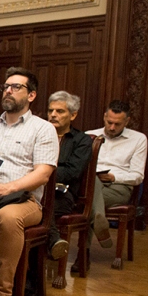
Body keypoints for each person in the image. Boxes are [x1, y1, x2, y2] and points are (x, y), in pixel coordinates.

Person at [0, 68, 58, 296]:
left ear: (32, 95)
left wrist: (7, 188)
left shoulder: (43, 129)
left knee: (8, 218)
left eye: (15, 87)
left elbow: (43, 174)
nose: (8, 90)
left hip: (25, 201)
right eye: (5, 86)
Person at [86, 100, 148, 245]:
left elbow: (138, 176)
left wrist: (113, 177)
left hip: (118, 187)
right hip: (92, 183)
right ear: (104, 117)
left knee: (87, 201)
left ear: (127, 121)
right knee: (92, 180)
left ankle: (84, 254)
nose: (112, 127)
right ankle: (99, 219)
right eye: (109, 122)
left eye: (117, 124)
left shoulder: (138, 139)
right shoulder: (89, 136)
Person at [45, 91, 91, 260]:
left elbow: (72, 172)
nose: (53, 115)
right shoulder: (39, 134)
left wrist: (42, 172)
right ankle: (54, 241)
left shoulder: (82, 140)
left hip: (63, 194)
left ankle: (50, 244)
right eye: (50, 111)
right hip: (33, 188)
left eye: (59, 111)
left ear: (73, 115)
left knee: (40, 205)